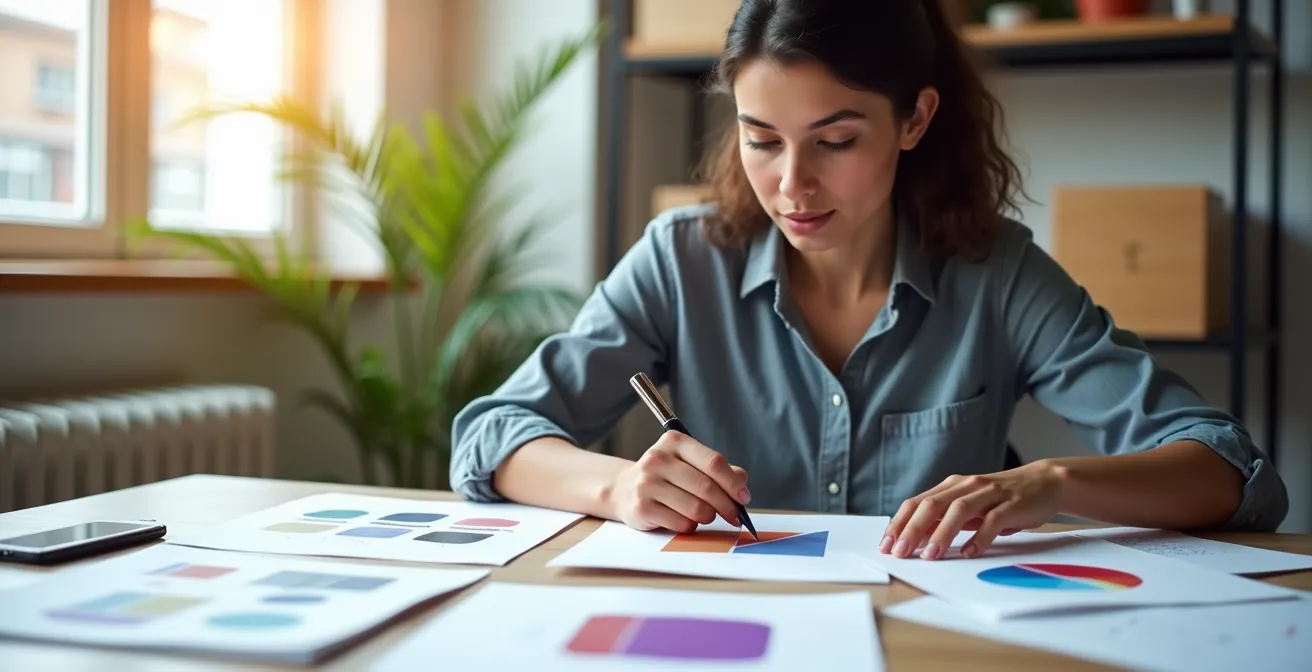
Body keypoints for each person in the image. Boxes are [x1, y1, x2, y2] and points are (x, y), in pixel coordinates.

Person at [449, 0, 1288, 560]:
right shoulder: (682, 260)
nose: (792, 184)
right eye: (761, 137)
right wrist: (616, 484)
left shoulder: (996, 274)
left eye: (836, 141)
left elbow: (1232, 471)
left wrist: (1051, 483)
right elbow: (492, 433)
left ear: (914, 119)